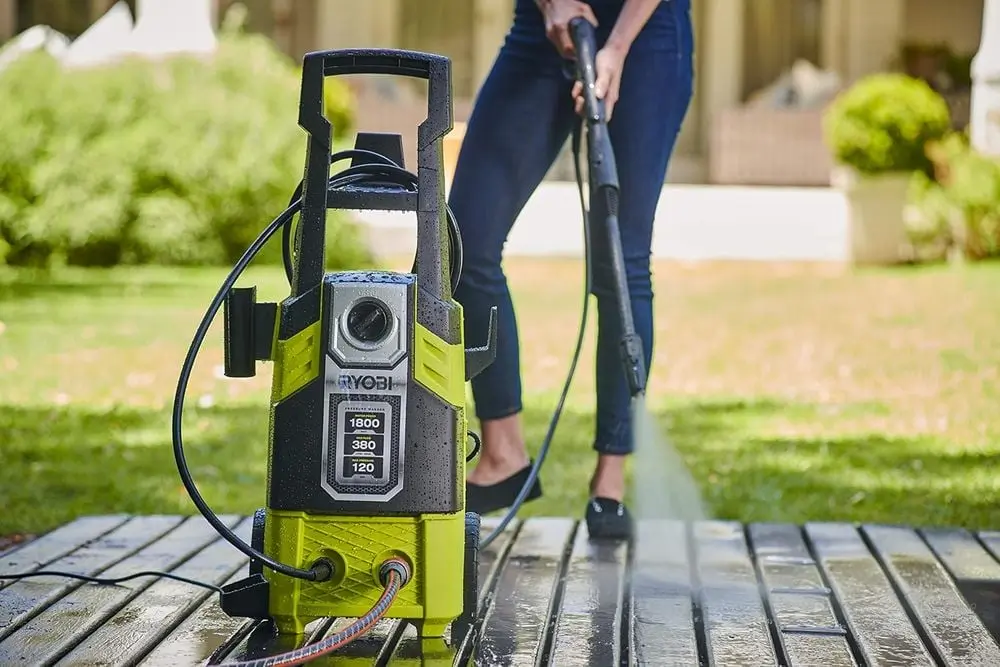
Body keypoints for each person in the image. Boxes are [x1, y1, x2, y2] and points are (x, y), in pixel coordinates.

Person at [448, 0, 694, 540]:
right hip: (541, 30)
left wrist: (618, 45)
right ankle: (503, 455)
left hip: (647, 32)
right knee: (462, 238)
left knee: (620, 259)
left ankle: (610, 481)